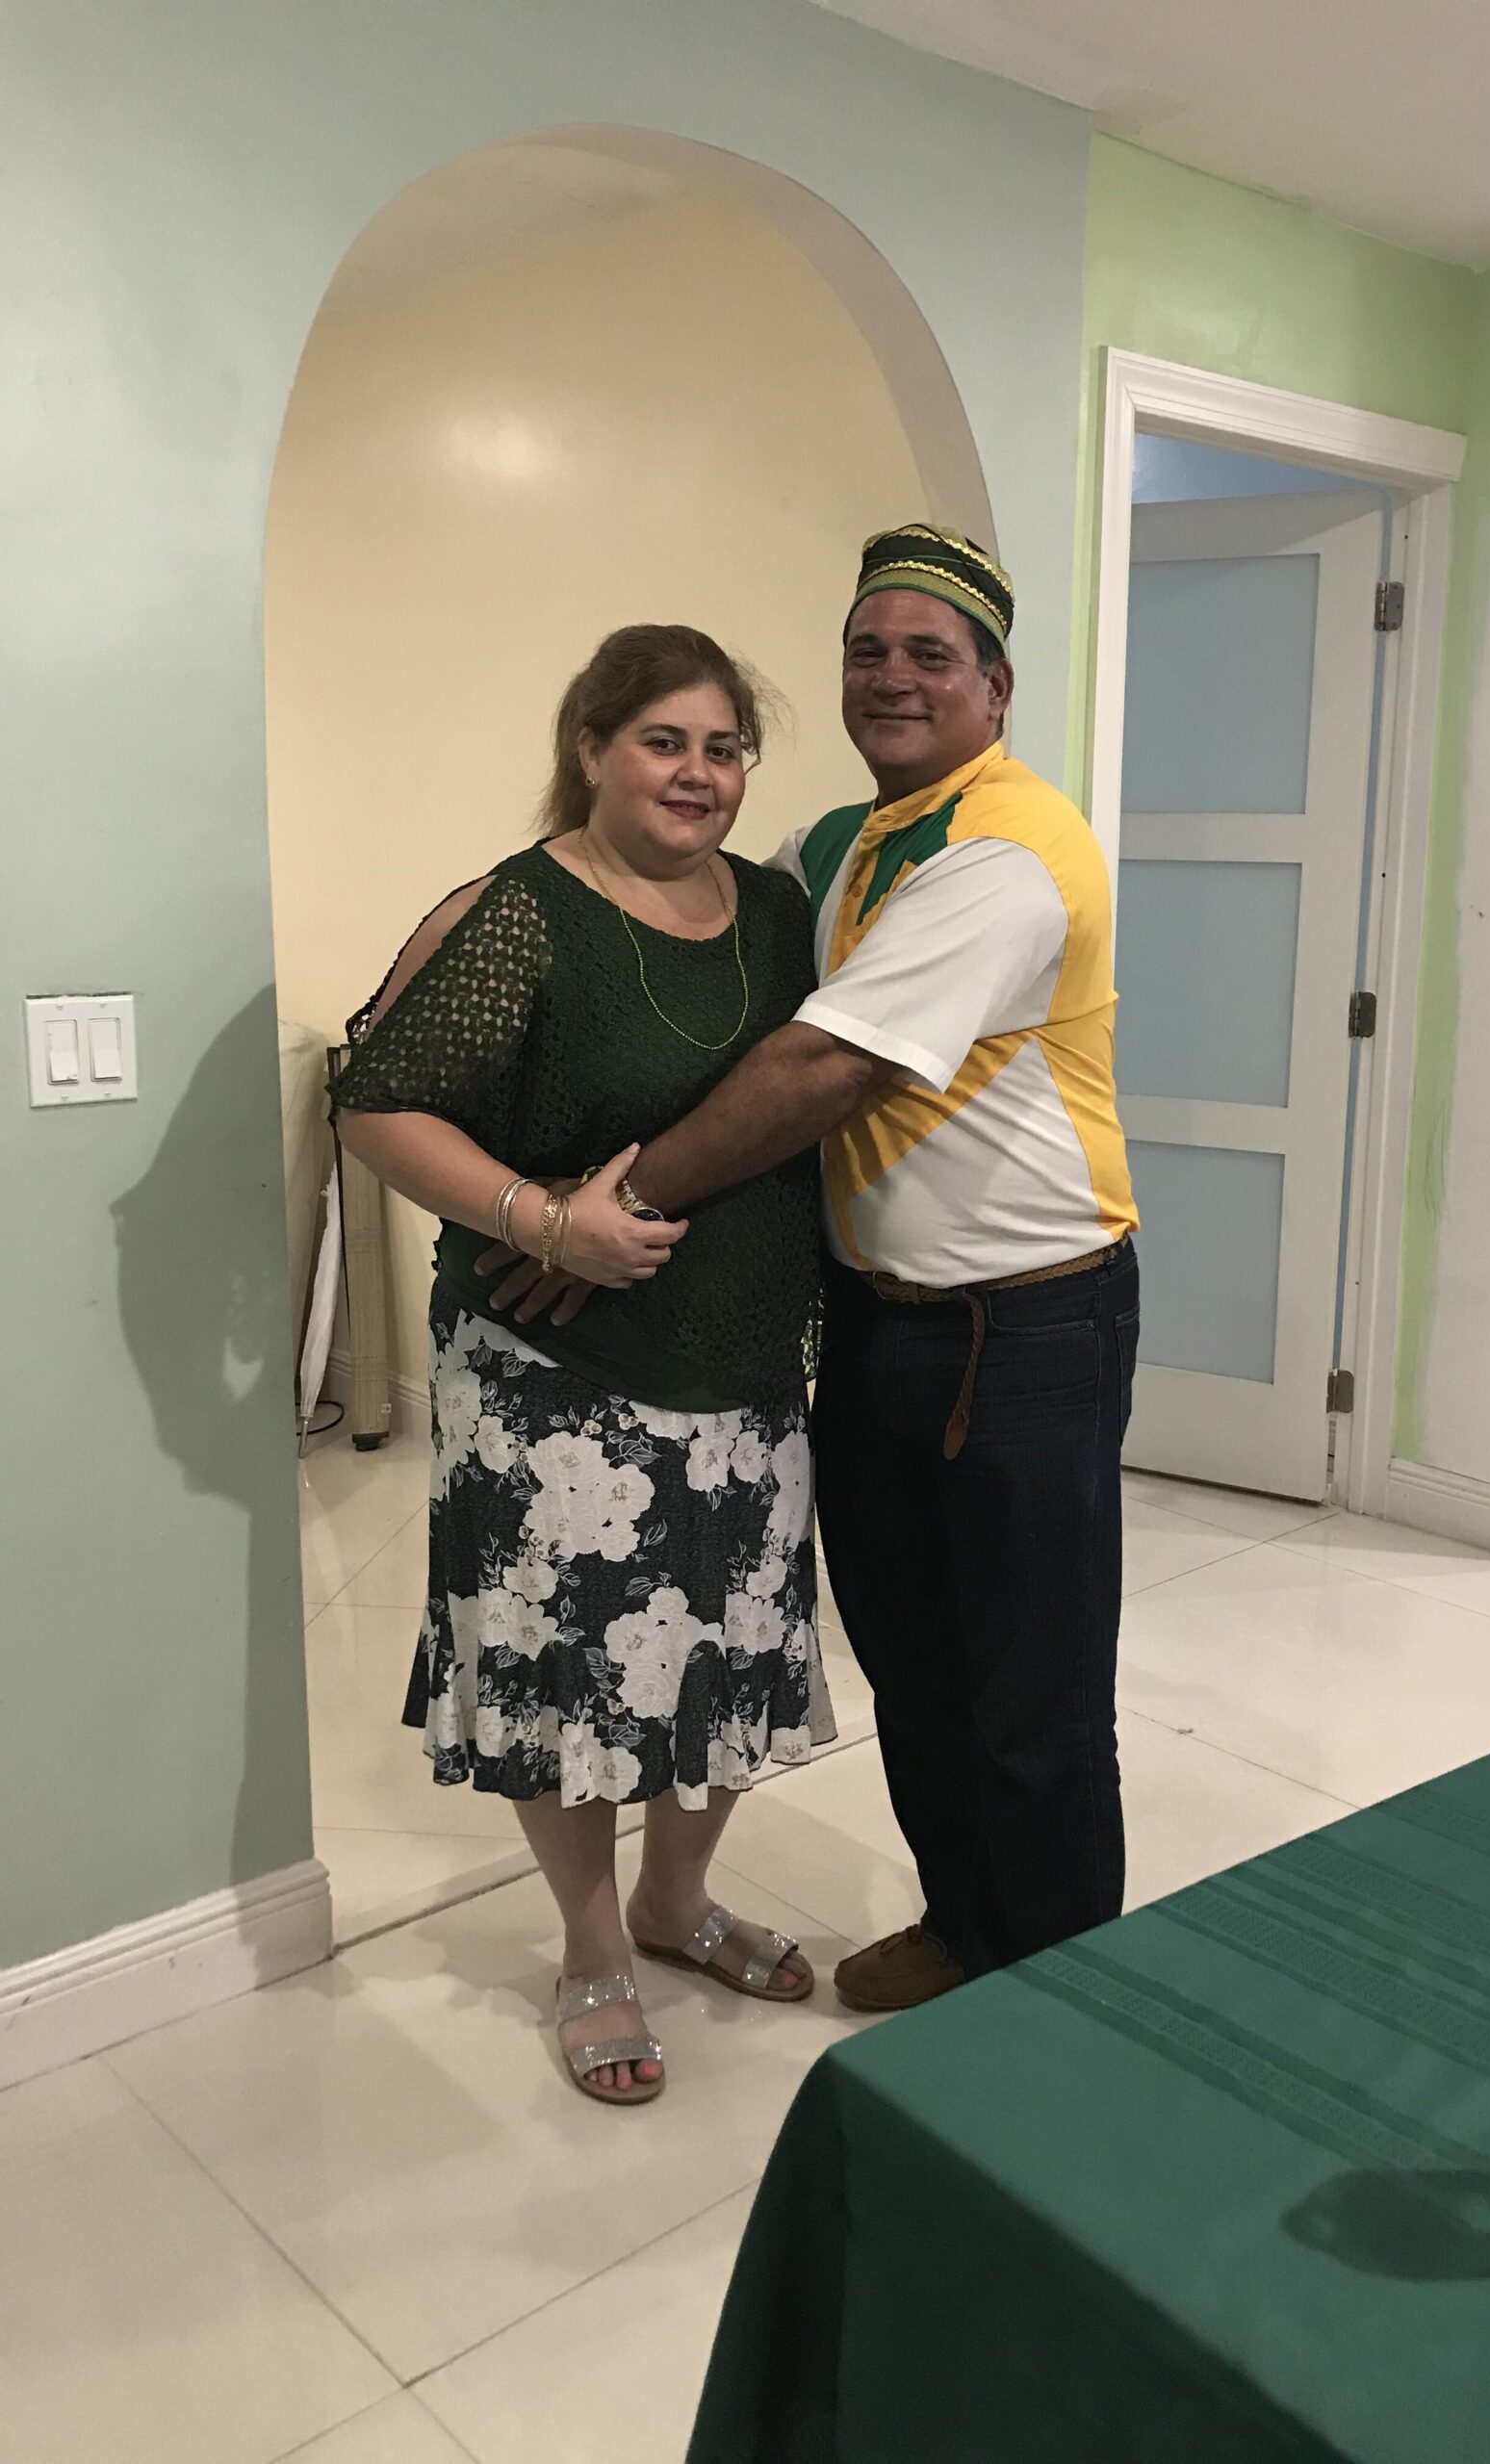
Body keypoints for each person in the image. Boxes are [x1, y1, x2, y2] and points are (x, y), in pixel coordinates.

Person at [488, 527, 1139, 2011]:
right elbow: (695, 968)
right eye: (867, 650)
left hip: (1030, 1328)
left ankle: (1057, 2004)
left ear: (996, 686)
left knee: (1034, 1695)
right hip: (875, 1324)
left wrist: (607, 1209)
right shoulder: (834, 851)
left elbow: (820, 1068)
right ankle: (968, 1926)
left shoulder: (1013, 851)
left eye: (931, 654)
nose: (892, 677)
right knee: (916, 1663)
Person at [330, 625, 832, 2107]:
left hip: (745, 1355)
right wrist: (544, 1220)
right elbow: (379, 1104)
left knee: (728, 1650)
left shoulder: (780, 912)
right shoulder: (522, 914)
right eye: (664, 741)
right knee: (574, 1669)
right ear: (593, 748)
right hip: (553, 1365)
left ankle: (679, 1901)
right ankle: (594, 1944)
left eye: (725, 748)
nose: (698, 774)